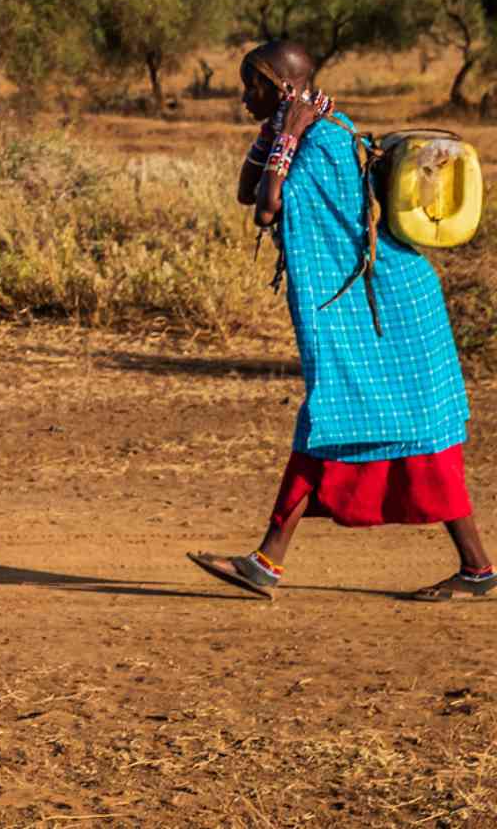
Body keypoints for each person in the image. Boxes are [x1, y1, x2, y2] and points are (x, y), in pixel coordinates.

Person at [186, 41, 493, 602]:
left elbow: (268, 206)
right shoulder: (305, 131)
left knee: (403, 435)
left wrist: (285, 139)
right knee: (345, 426)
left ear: (280, 87)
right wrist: (276, 135)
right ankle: (267, 562)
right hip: (367, 307)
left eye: (251, 86)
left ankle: (474, 567)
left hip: (391, 306)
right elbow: (244, 190)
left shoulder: (324, 139)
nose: (242, 96)